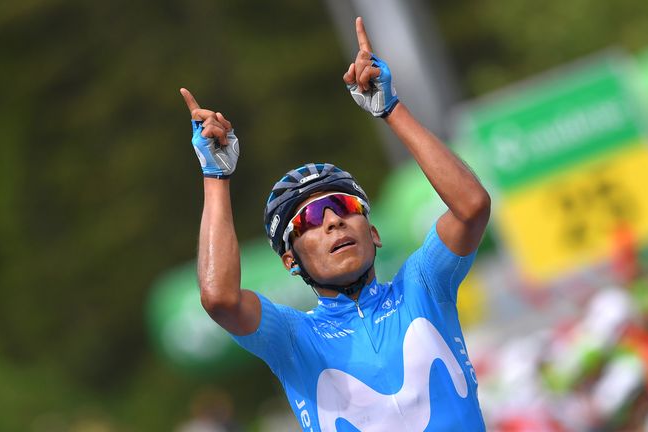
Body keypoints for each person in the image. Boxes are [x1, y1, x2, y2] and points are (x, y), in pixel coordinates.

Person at [180, 17, 491, 432]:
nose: (331, 221)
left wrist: (391, 109)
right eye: (307, 218)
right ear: (290, 260)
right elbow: (219, 298)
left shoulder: (422, 286)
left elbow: (471, 206)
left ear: (374, 233)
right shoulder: (292, 337)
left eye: (343, 206)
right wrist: (215, 176)